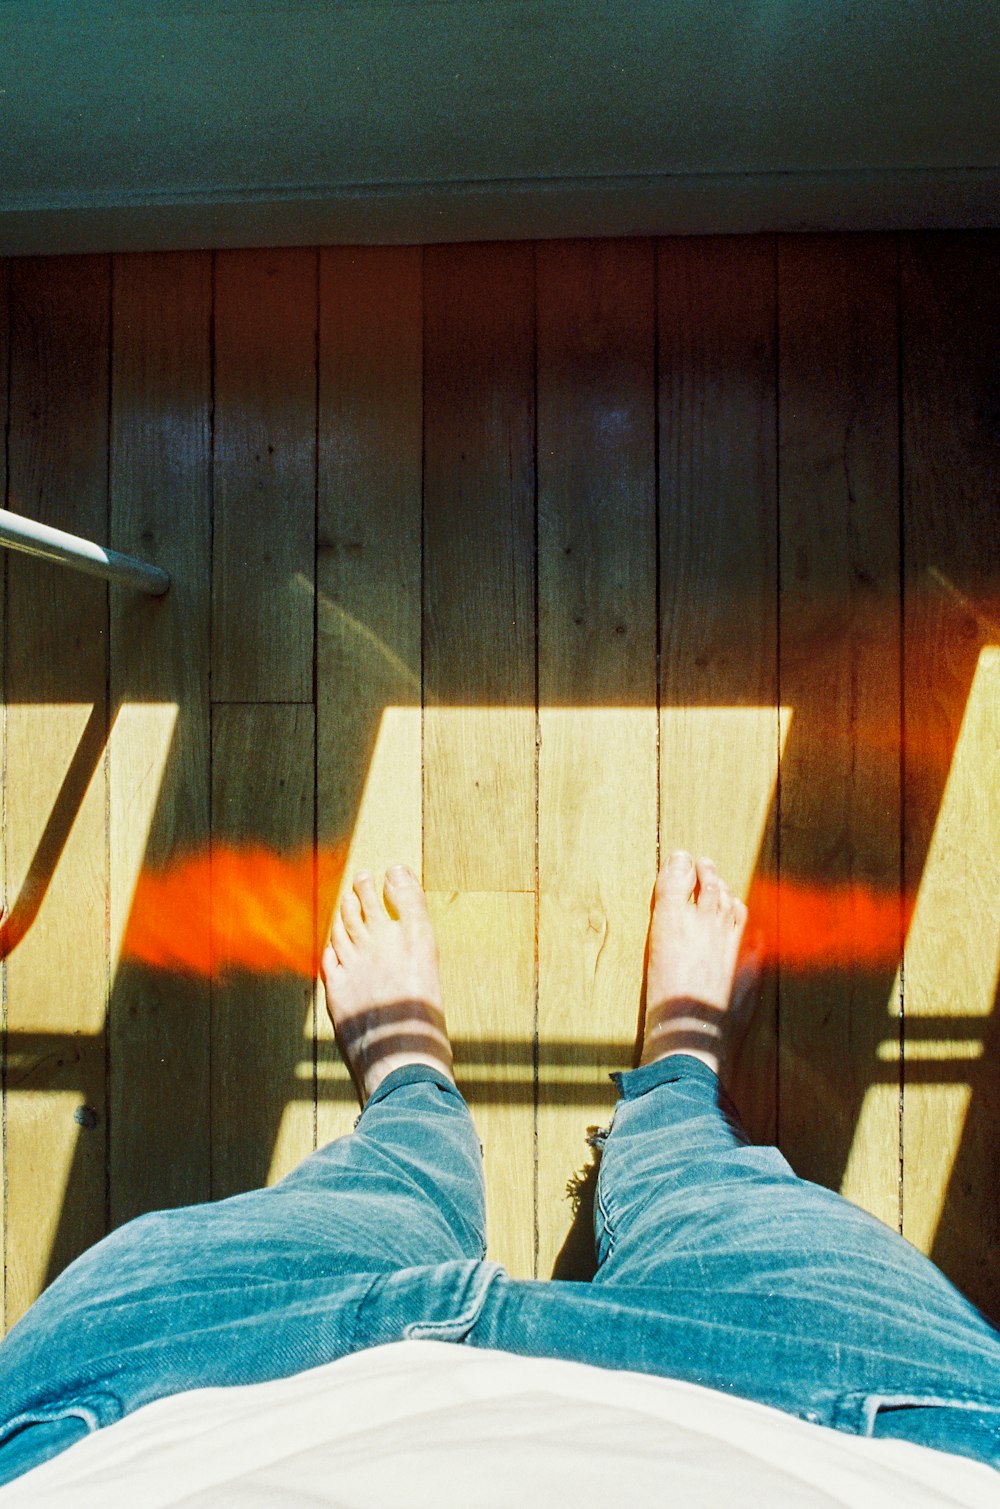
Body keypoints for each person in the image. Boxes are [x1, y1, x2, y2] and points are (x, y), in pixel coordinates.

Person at [0, 852, 997, 1504]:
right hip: (856, 1427)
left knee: (379, 1195)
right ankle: (676, 1078)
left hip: (165, 1420)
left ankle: (411, 1091)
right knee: (713, 1192)